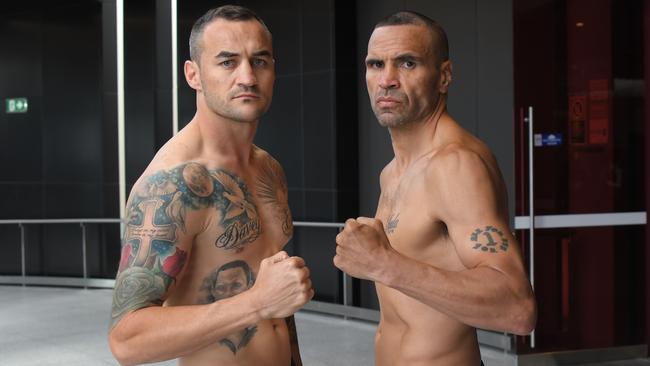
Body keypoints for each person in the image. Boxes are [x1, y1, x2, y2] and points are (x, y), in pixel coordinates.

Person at [108, 5, 313, 366]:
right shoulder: (174, 184)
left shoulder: (268, 169)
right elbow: (127, 338)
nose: (247, 76)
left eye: (260, 61)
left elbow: (278, 303)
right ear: (194, 74)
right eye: (227, 62)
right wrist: (257, 302)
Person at [333, 11, 537, 366]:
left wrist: (383, 263)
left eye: (407, 63)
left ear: (444, 76)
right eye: (376, 64)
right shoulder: (391, 172)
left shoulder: (455, 166)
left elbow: (516, 308)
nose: (387, 79)